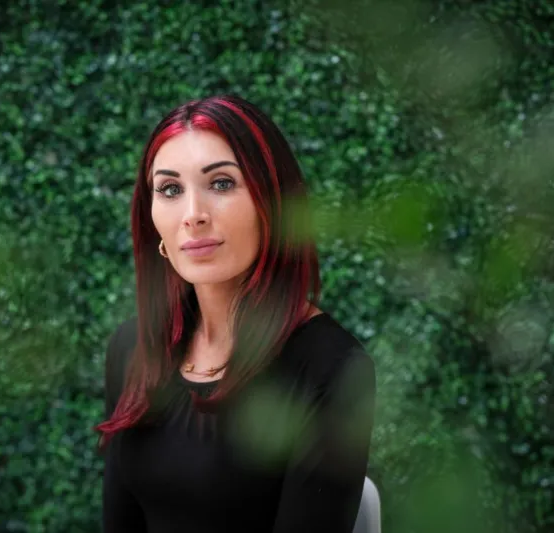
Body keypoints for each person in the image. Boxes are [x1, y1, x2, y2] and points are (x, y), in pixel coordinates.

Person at [95, 94, 376, 533]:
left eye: (222, 183)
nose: (193, 215)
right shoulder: (132, 349)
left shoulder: (332, 365)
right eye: (170, 190)